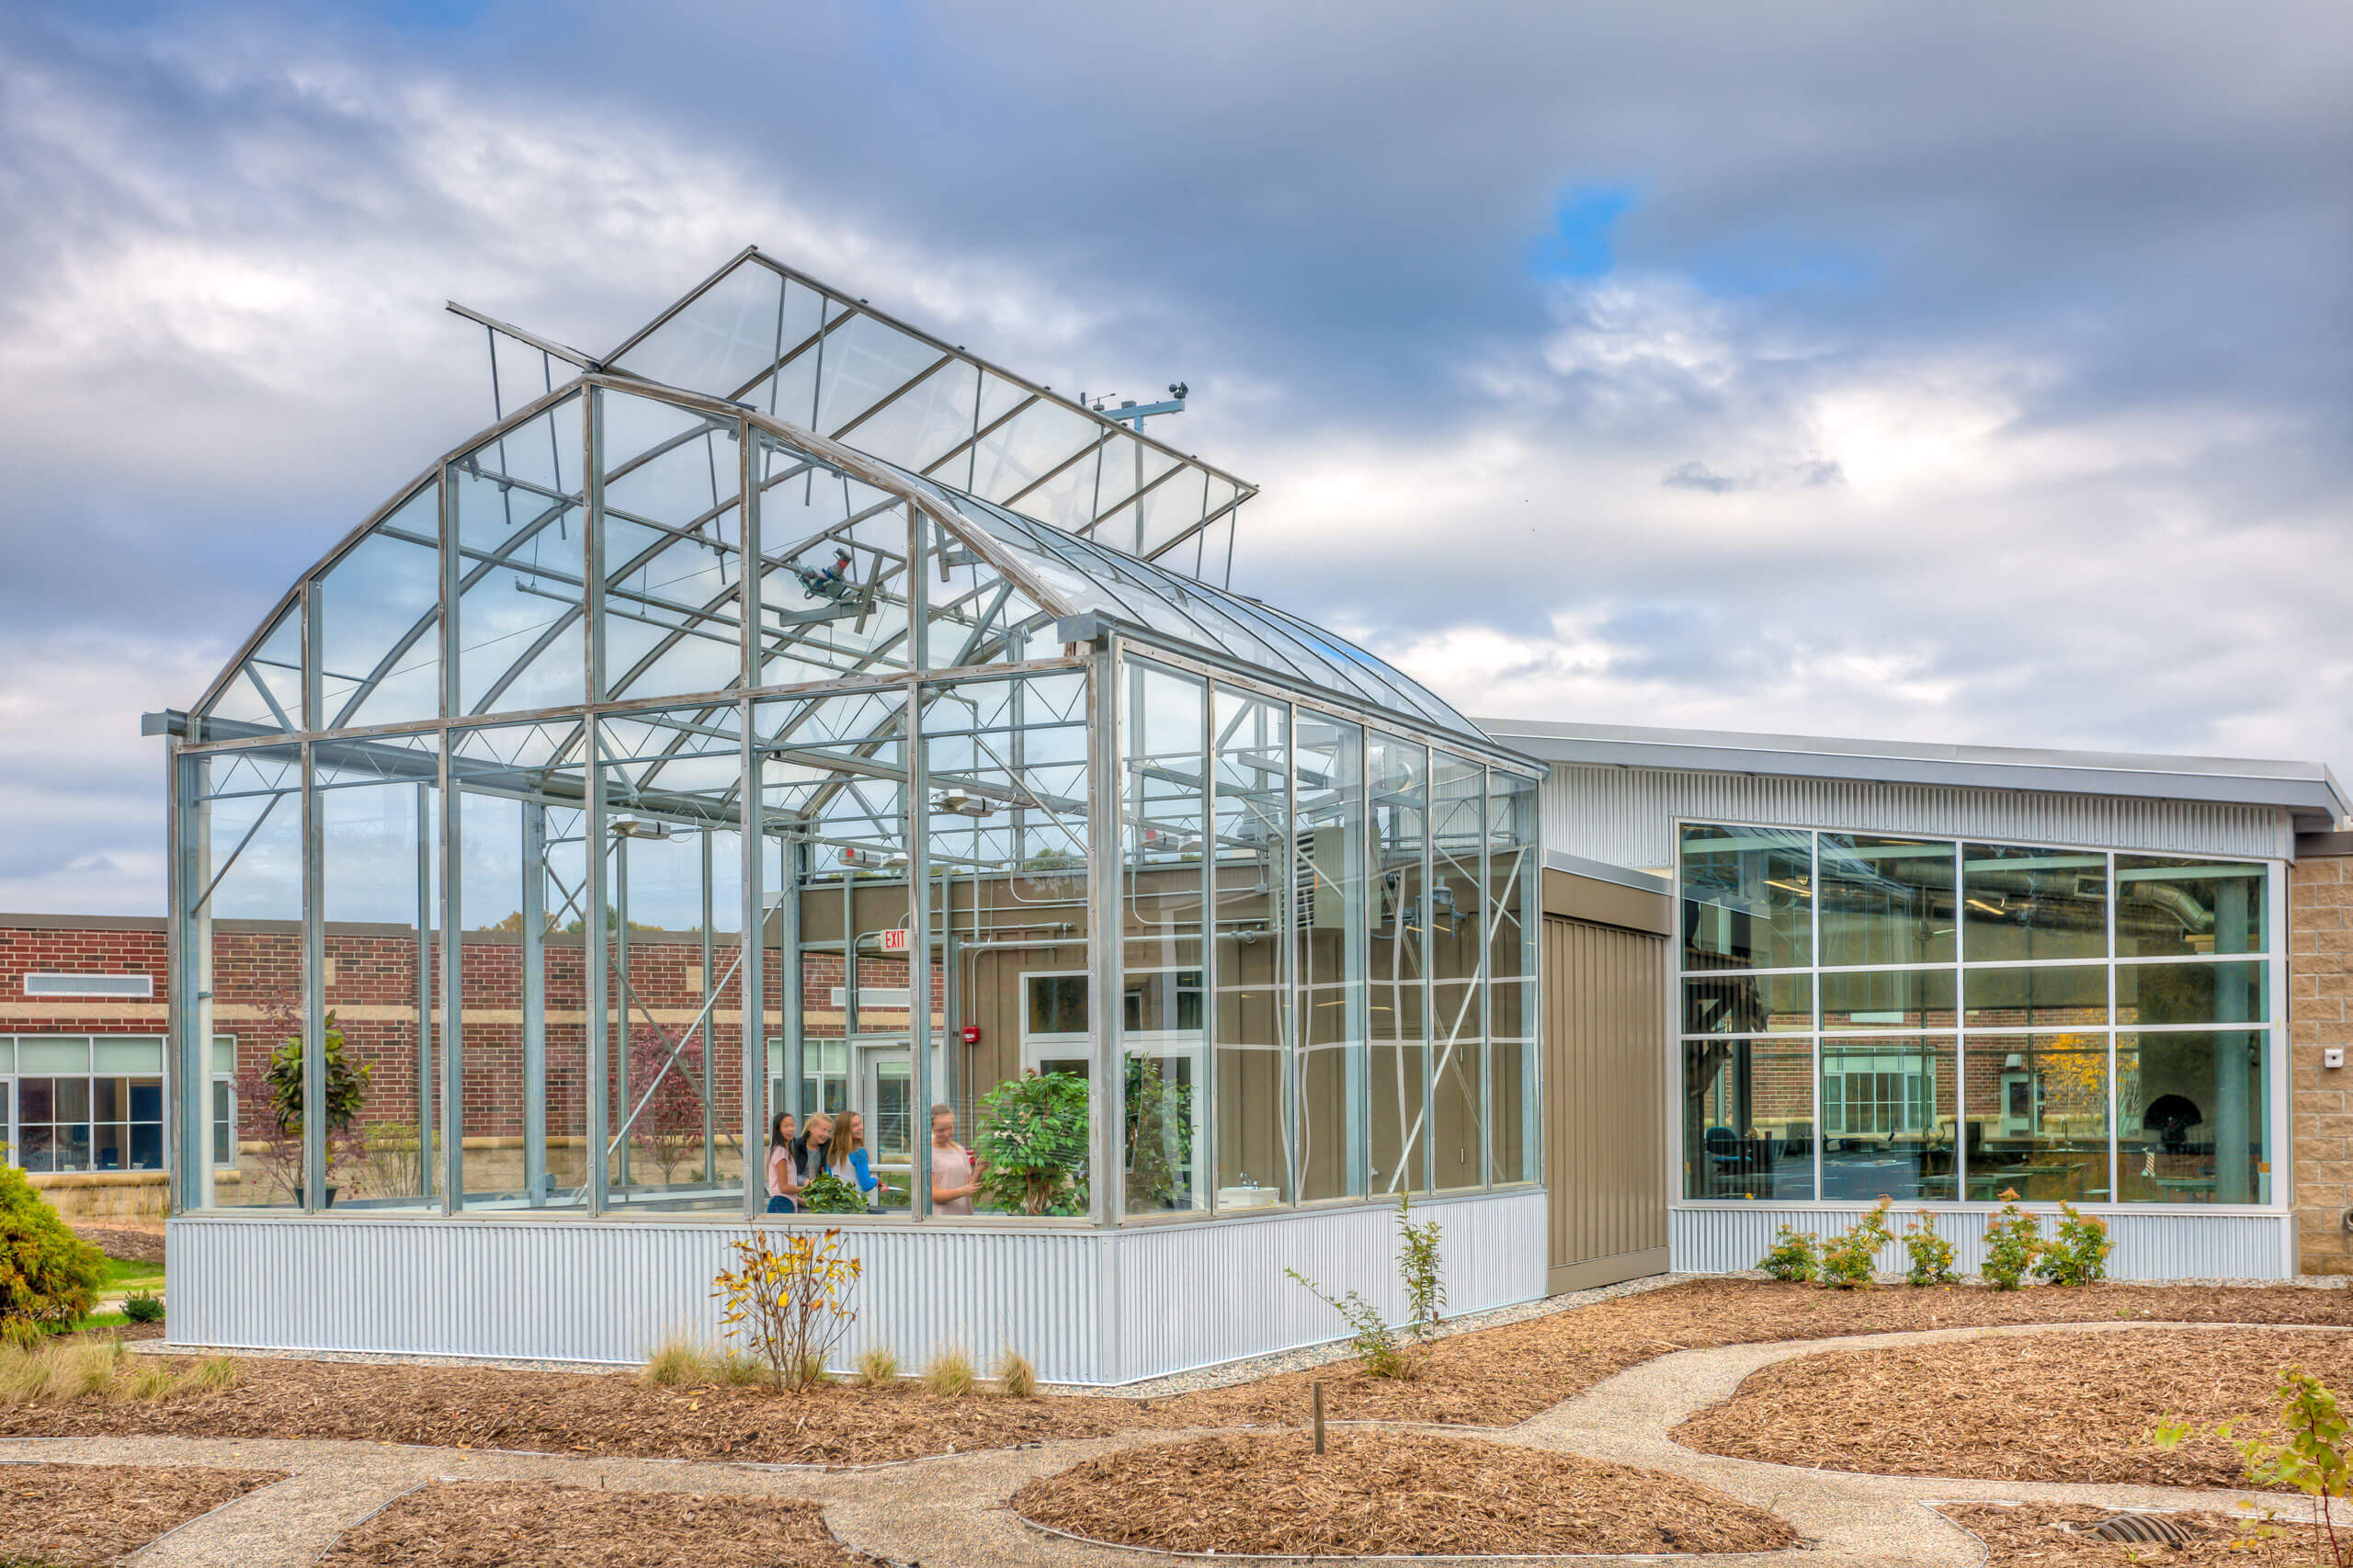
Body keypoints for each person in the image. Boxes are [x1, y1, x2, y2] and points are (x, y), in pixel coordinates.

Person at [929, 1103, 982, 1215]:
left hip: (964, 1217)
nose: (948, 1133)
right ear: (932, 1129)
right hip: (941, 1220)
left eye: (950, 1127)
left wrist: (979, 1169)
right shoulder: (927, 1154)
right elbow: (934, 1195)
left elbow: (970, 1188)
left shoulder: (959, 1150)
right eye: (941, 1130)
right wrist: (963, 1191)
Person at [839, 1111, 884, 1210]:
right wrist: (875, 1179)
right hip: (856, 1207)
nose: (860, 1127)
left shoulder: (832, 1152)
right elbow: (866, 1185)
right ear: (845, 1130)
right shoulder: (859, 1153)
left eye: (860, 1123)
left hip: (838, 1207)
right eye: (855, 1125)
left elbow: (831, 1180)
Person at [790, 1112, 835, 1195]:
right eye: (823, 1129)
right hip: (797, 1195)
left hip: (819, 1197)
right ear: (811, 1128)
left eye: (829, 1131)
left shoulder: (830, 1146)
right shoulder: (795, 1146)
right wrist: (807, 1182)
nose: (826, 1134)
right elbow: (788, 1176)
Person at [765, 1111, 798, 1214]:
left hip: (785, 1203)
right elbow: (784, 1188)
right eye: (786, 1126)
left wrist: (802, 1201)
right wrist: (809, 1189)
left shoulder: (786, 1151)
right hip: (781, 1204)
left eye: (792, 1125)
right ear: (778, 1129)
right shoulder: (780, 1151)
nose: (791, 1129)